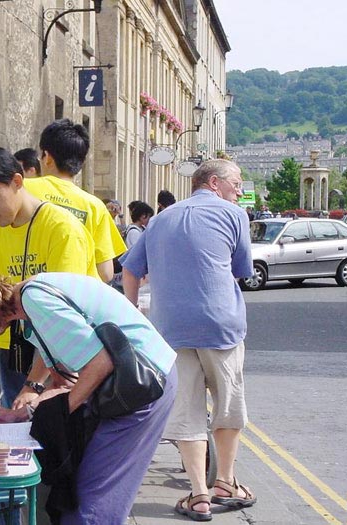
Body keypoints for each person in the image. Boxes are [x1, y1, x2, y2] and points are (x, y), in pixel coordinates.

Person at [0, 267, 177, 525]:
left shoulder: (35, 300)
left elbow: (99, 364)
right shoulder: (29, 307)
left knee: (91, 500)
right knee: (76, 493)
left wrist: (56, 414)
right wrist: (23, 413)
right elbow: (67, 382)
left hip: (143, 383)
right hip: (131, 384)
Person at [122, 159, 255, 521]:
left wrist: (134, 315)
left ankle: (199, 495)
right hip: (220, 327)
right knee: (227, 404)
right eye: (236, 184)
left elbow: (130, 269)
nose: (239, 192)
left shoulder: (160, 219)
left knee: (186, 410)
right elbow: (241, 270)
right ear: (214, 183)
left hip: (170, 330)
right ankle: (225, 482)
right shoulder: (234, 214)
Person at [0, 146, 98, 409]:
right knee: (12, 423)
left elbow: (62, 318)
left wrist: (34, 384)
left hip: (59, 352)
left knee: (50, 425)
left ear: (17, 181)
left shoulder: (62, 229)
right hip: (14, 348)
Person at [23, 118, 126, 283]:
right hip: (74, 293)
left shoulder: (22, 190)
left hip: (21, 292)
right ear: (81, 162)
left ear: (47, 157)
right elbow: (106, 273)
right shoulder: (95, 207)